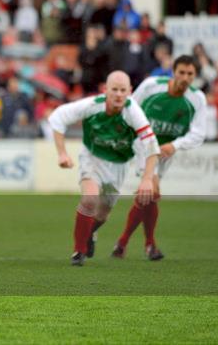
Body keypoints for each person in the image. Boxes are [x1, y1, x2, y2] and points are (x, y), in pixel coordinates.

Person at [48, 71, 160, 266]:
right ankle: (79, 251)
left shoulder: (133, 111)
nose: (118, 94)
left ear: (130, 92)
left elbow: (151, 145)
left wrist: (148, 178)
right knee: (89, 199)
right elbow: (58, 117)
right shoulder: (92, 105)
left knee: (102, 215)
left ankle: (89, 233)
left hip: (119, 164)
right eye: (114, 90)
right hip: (92, 158)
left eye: (123, 90)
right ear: (105, 90)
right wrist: (62, 153)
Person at [113, 55, 207, 260]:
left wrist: (174, 145)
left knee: (148, 197)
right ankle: (148, 245)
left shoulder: (197, 99)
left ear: (195, 76)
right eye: (181, 72)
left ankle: (122, 244)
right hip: (143, 146)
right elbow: (129, 107)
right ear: (173, 72)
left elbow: (199, 133)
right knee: (152, 191)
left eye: (190, 74)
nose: (185, 77)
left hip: (165, 151)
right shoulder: (151, 86)